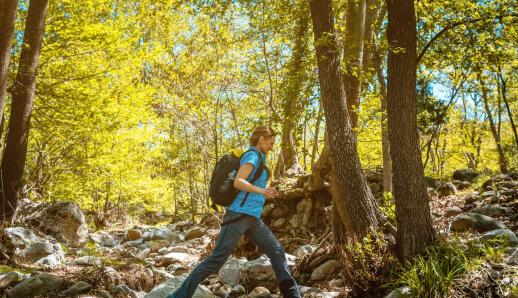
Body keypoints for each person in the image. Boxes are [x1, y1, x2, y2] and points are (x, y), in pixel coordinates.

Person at [167, 125, 301, 298]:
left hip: (252, 218)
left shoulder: (260, 157)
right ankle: (178, 296)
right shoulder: (252, 156)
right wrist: (262, 191)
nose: (271, 146)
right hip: (238, 216)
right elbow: (238, 182)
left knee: (276, 251)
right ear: (261, 139)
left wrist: (263, 193)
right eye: (270, 142)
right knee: (215, 261)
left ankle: (292, 295)